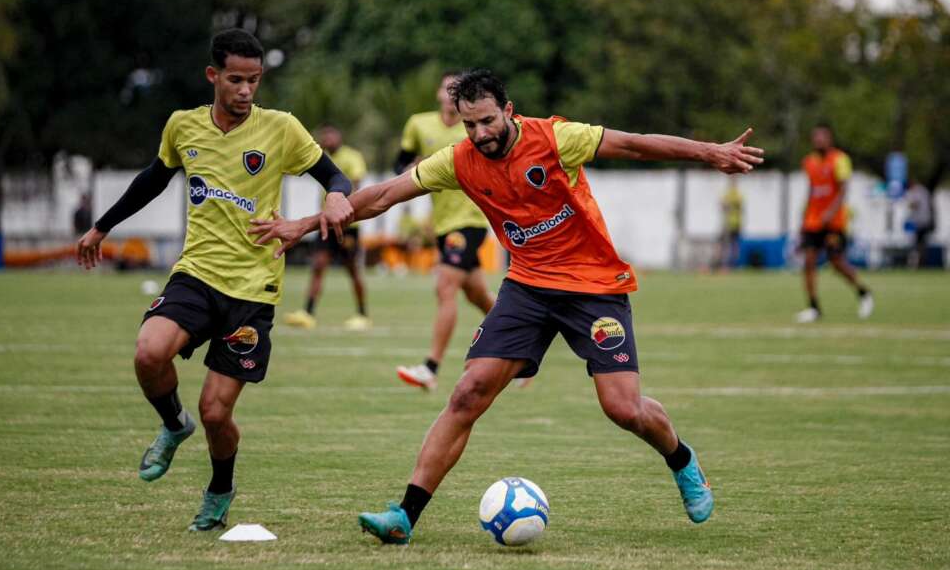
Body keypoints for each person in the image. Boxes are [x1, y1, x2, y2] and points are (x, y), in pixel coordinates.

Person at [249, 69, 763, 543]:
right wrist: (302, 226)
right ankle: (404, 515)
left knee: (623, 408)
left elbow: (635, 145)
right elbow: (383, 196)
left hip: (593, 285)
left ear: (509, 110)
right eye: (470, 124)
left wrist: (709, 153)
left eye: (488, 121)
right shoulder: (460, 160)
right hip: (528, 286)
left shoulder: (556, 138)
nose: (480, 134)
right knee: (469, 392)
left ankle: (682, 459)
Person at [76, 29, 353, 531]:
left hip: (252, 290)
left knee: (216, 414)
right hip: (196, 274)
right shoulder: (183, 126)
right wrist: (101, 226)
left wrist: (335, 196)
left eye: (254, 80)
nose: (246, 91)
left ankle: (220, 488)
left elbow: (335, 177)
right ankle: (171, 424)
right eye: (235, 80)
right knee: (147, 353)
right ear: (213, 76)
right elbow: (153, 179)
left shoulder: (282, 129)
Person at [393, 71, 495, 392]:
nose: (450, 94)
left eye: (457, 90)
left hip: (472, 219)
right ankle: (527, 333)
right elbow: (401, 167)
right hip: (442, 221)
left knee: (446, 286)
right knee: (476, 293)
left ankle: (430, 367)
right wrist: (417, 168)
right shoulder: (418, 124)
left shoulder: (475, 128)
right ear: (438, 93)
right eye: (446, 88)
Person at [284, 124, 371, 330]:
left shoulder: (352, 156)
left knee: (353, 270)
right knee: (318, 265)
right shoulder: (320, 157)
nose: (328, 139)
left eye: (332, 134)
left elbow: (357, 183)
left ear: (339, 136)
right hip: (327, 223)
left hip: (348, 223)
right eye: (325, 136)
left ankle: (362, 314)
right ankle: (308, 312)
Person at [795, 123, 872, 323]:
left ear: (830, 139)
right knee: (809, 262)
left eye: (823, 136)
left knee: (836, 262)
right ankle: (813, 307)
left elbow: (844, 189)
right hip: (813, 221)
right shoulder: (809, 162)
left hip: (834, 222)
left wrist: (831, 211)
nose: (819, 140)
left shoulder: (840, 159)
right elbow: (811, 190)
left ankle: (863, 292)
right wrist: (804, 218)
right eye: (816, 136)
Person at [904, 178, 935, 269]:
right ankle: (919, 262)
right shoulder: (924, 191)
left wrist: (908, 204)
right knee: (920, 243)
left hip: (920, 221)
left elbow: (914, 204)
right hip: (923, 220)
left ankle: (917, 263)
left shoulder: (918, 191)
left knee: (917, 243)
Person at [719, 177, 743, 270]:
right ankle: (726, 264)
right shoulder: (733, 194)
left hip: (733, 223)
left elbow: (738, 207)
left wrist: (727, 206)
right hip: (729, 223)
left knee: (733, 244)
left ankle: (731, 264)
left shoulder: (735, 195)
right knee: (729, 244)